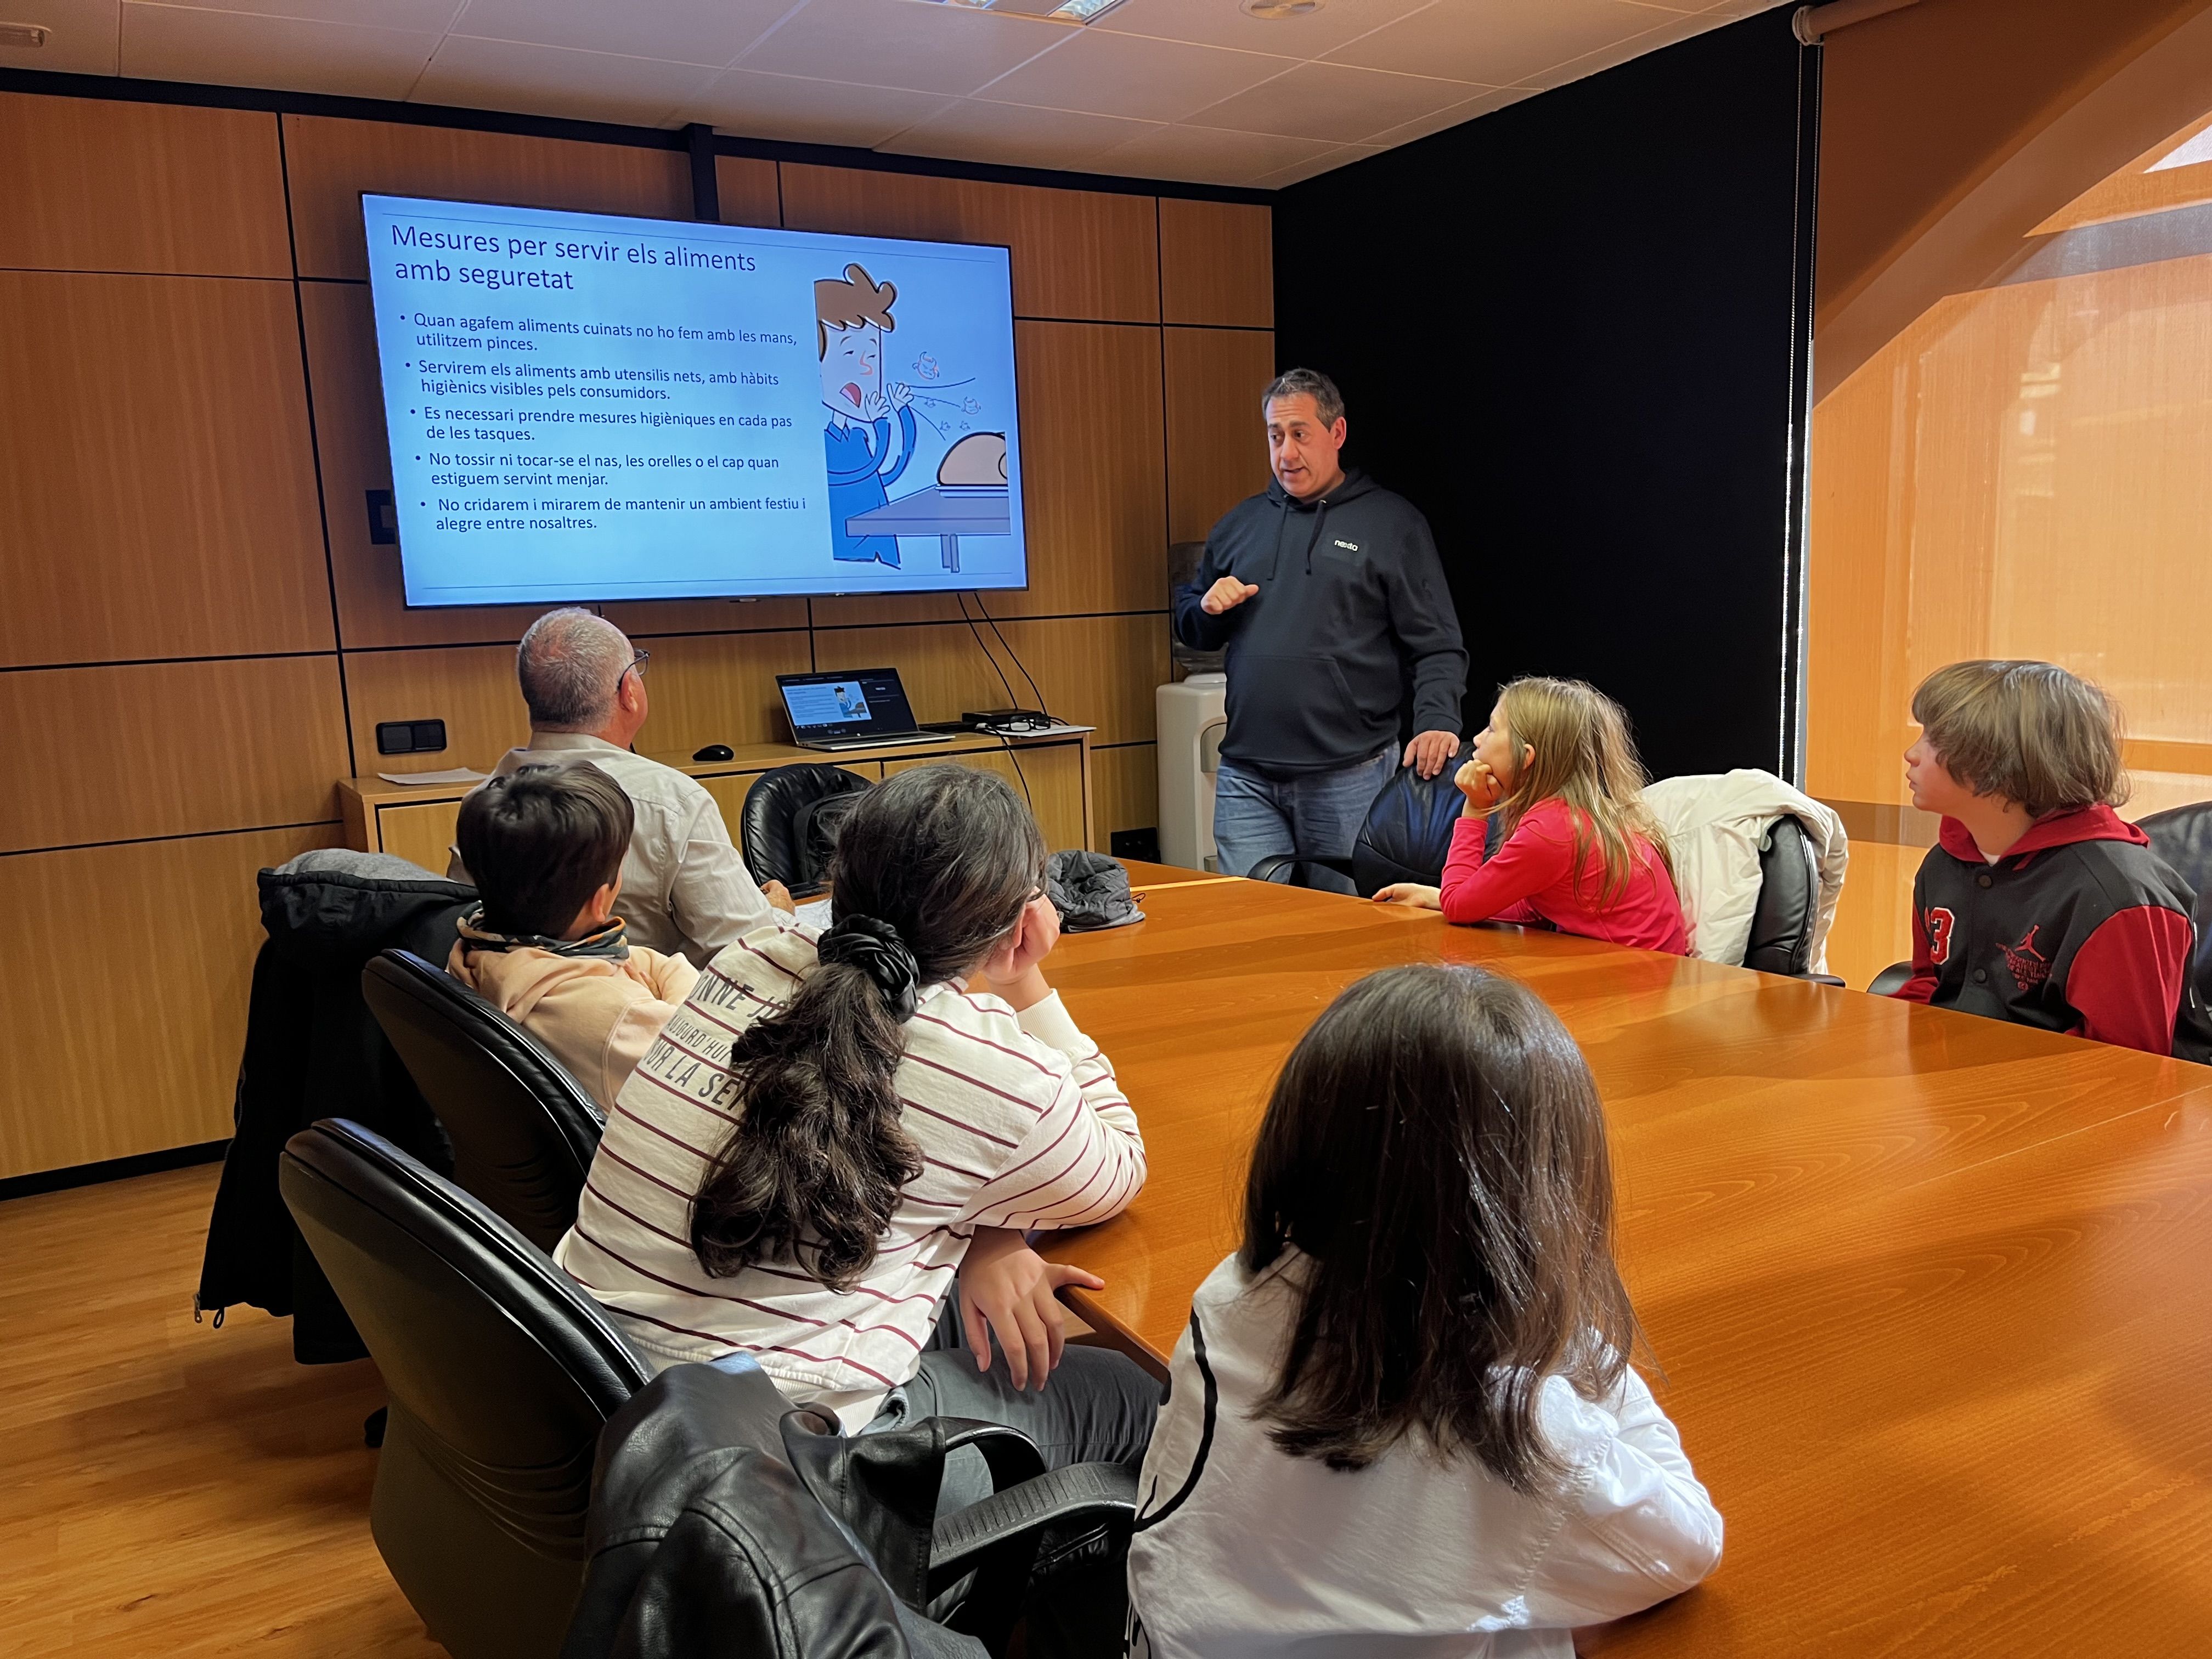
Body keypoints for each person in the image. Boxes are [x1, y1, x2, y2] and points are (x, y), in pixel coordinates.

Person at [554, 764, 1158, 1482]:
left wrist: (987, 1228)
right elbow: (1119, 1166)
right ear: (1016, 927)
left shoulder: (748, 960)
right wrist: (1024, 980)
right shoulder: (996, 1076)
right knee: (1140, 1393)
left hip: (590, 1386)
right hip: (773, 1469)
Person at [1125, 964, 1723, 1657]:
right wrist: (1563, 1323)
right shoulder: (1515, 1434)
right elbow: (1688, 1545)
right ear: (1537, 1204)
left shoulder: (1236, 1291)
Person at [1171, 368, 1467, 890]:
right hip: (1246, 774)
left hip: (1350, 772)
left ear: (1337, 434)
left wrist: (1437, 719)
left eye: (1300, 434)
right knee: (1251, 930)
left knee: (1350, 931)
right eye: (1275, 436)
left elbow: (1437, 643)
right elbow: (1194, 628)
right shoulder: (1241, 525)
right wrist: (1206, 610)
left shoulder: (1391, 524)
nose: (1286, 453)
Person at [1889, 659, 2212, 1059]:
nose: (1911, 754)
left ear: (2001, 762)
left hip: (2075, 1105)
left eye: (1935, 740)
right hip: (1964, 1089)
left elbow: (2124, 1067)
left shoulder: (2118, 896)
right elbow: (1930, 986)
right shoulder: (1945, 861)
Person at [448, 607, 788, 967]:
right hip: (650, 1014)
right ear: (629, 691)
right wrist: (777, 917)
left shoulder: (485, 801)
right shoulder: (674, 802)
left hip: (506, 1010)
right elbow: (746, 957)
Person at [446, 764, 697, 1112]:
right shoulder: (621, 1015)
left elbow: (643, 960)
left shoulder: (471, 952)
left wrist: (661, 971)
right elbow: (705, 1045)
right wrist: (678, 981)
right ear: (599, 902)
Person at [1375, 677, 1688, 954]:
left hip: (1637, 982)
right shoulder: (1574, 815)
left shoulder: (1551, 831)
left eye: (1492, 728)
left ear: (1525, 757)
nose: (1480, 739)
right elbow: (1535, 906)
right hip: (1641, 970)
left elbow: (1459, 909)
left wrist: (1475, 811)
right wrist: (1439, 897)